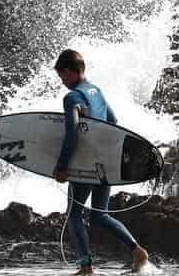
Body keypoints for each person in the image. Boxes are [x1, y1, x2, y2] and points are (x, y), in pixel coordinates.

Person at [52, 49, 150, 275]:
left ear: (68, 71)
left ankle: (86, 267)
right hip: (105, 161)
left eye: (62, 77)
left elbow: (72, 131)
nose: (63, 82)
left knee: (74, 214)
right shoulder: (97, 91)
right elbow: (113, 121)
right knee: (100, 214)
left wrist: (62, 165)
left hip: (86, 162)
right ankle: (136, 250)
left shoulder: (73, 97)